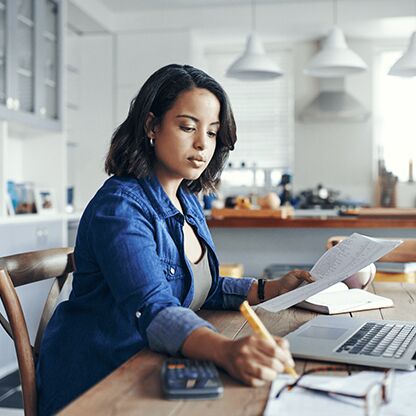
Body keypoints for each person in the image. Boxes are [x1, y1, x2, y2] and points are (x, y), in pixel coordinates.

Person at [36, 64, 312, 415]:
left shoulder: (187, 200)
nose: (202, 144)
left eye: (212, 133)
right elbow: (154, 307)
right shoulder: (119, 208)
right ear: (151, 125)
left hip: (151, 364)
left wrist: (271, 289)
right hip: (101, 380)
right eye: (187, 127)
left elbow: (199, 287)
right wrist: (228, 350)